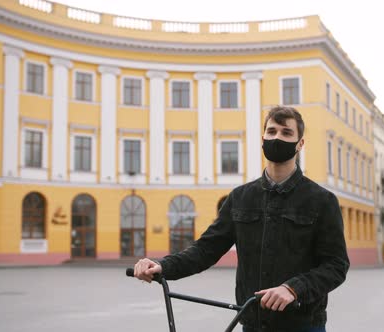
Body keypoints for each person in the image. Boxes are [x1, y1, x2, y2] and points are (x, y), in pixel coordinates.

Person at [135, 106, 349, 332]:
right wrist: (161, 266)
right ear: (263, 138)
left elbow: (336, 265)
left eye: (286, 133)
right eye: (272, 131)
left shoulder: (322, 201)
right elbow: (206, 249)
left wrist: (293, 289)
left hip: (304, 325)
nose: (277, 137)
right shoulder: (240, 197)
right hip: (251, 323)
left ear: (300, 144)